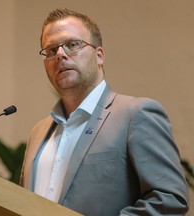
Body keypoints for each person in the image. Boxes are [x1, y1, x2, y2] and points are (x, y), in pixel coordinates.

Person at [20, 8, 189, 216]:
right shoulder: (38, 133)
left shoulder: (135, 114)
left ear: (99, 56)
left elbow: (170, 200)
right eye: (51, 50)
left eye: (72, 45)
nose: (60, 55)